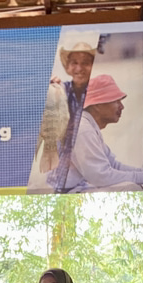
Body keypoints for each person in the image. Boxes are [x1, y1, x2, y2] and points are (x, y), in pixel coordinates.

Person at [64, 74, 143, 192]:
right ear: (97, 105)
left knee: (132, 187)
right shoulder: (83, 129)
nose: (122, 107)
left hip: (78, 192)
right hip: (65, 198)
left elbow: (113, 166)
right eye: (116, 101)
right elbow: (101, 177)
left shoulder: (88, 127)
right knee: (131, 189)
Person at [46, 41, 96, 193]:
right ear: (67, 67)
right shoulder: (62, 90)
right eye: (74, 63)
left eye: (85, 63)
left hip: (86, 174)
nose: (79, 68)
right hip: (60, 174)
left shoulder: (96, 94)